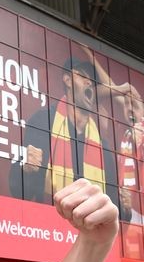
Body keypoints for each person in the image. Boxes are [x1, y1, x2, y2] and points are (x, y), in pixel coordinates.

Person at [9, 56, 116, 205]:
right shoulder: (43, 122)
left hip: (89, 226)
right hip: (47, 225)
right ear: (67, 80)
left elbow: (115, 210)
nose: (89, 82)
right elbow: (19, 191)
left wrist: (126, 209)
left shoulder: (102, 146)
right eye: (83, 76)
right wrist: (27, 170)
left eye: (92, 81)